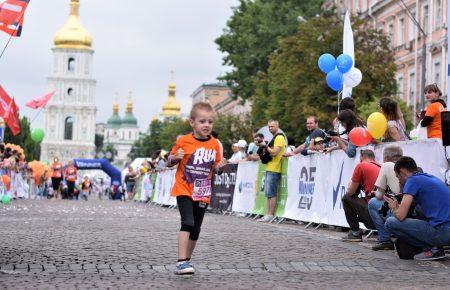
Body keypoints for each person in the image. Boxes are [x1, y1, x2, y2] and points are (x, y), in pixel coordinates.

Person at [167, 102, 225, 275]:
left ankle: (187, 260)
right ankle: (181, 262)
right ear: (192, 122)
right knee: (187, 223)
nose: (206, 125)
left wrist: (221, 167)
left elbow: (216, 168)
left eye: (210, 122)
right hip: (184, 188)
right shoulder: (183, 140)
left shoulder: (215, 144)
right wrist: (174, 158)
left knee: (196, 229)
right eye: (202, 121)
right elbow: (169, 161)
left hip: (202, 190)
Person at [384, 157, 450, 261]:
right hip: (447, 229)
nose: (399, 181)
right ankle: (434, 247)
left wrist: (394, 208)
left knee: (390, 222)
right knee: (417, 209)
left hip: (443, 232)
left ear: (402, 172)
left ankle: (432, 249)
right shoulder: (429, 177)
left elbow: (401, 216)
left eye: (398, 177)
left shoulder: (412, 181)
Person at [367, 145, 403, 251]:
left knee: (373, 202)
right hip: (412, 210)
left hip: (400, 212)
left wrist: (377, 193)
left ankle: (385, 239)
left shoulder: (387, 165)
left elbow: (378, 195)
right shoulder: (408, 164)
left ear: (386, 158)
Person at [341, 149, 380, 242]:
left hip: (373, 214)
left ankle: (355, 233)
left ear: (361, 157)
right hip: (383, 213)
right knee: (362, 199)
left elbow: (351, 192)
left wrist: (353, 180)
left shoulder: (362, 165)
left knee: (346, 198)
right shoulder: (380, 166)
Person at [257, 119, 286, 222]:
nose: (270, 128)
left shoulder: (279, 137)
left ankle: (270, 214)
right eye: (269, 127)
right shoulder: (274, 137)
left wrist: (265, 146)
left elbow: (274, 153)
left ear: (277, 126)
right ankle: (268, 213)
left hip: (275, 168)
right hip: (270, 167)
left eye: (272, 126)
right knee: (268, 193)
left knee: (272, 193)